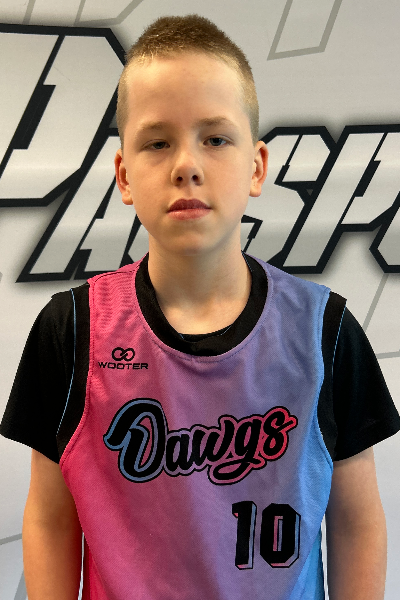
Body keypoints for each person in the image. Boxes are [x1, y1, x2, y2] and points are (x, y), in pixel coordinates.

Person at [1, 13, 399, 600]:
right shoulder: (72, 330)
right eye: (157, 142)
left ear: (257, 167)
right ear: (123, 176)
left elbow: (356, 520)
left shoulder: (325, 332)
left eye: (215, 139)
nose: (186, 164)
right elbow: (50, 517)